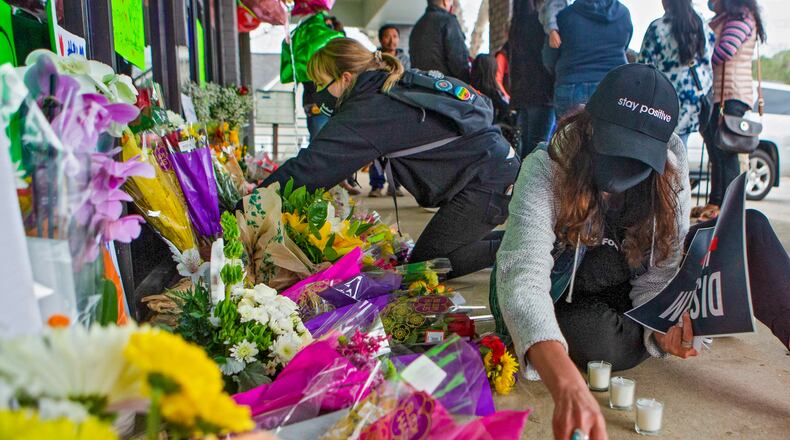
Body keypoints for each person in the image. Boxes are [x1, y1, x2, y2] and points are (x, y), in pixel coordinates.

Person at [493, 64, 790, 440]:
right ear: (589, 125)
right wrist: (566, 383)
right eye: (615, 147)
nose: (622, 168)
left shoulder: (670, 167)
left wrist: (663, 323)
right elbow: (525, 274)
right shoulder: (547, 168)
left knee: (753, 229)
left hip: (631, 285)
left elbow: (663, 267)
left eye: (637, 157)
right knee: (597, 339)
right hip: (574, 288)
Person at [260, 38, 519, 278]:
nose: (318, 91)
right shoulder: (384, 87)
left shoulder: (370, 107)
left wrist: (254, 204)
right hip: (492, 170)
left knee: (426, 265)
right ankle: (526, 241)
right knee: (433, 253)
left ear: (345, 78)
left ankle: (533, 249)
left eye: (320, 83)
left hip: (489, 182)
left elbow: (311, 168)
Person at [695, 0, 767, 221]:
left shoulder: (741, 17)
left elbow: (725, 49)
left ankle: (729, 207)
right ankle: (716, 202)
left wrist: (699, 62)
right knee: (716, 151)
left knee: (726, 151)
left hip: (731, 93)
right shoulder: (726, 18)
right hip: (719, 93)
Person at [639, 0, 715, 147]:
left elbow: (643, 68)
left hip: (663, 102)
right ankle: (679, 170)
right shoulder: (700, 24)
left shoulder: (658, 28)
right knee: (680, 147)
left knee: (658, 150)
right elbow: (710, 54)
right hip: (693, 100)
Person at [543, 0, 633, 117]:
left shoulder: (565, 16)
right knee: (606, 134)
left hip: (571, 85)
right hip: (612, 85)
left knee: (569, 134)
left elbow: (549, 57)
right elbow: (624, 46)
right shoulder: (623, 14)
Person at [509, 0, 556, 158]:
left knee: (524, 151)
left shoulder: (517, 25)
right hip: (543, 94)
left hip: (523, 95)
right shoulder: (543, 25)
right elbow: (549, 59)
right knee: (537, 152)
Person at [409, 0, 471, 82]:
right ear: (445, 1)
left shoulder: (417, 26)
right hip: (444, 87)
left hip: (420, 86)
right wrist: (466, 83)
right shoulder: (448, 21)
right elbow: (458, 60)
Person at [470, 54, 510, 122]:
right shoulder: (495, 94)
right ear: (493, 70)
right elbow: (506, 108)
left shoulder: (468, 89)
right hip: (488, 129)